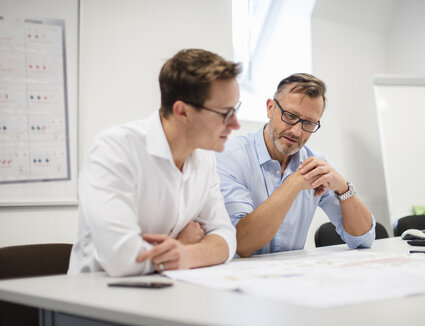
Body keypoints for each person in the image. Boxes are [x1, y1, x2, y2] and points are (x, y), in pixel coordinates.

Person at [68, 49, 242, 276]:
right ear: (182, 112)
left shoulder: (204, 156)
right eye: (225, 113)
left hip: (167, 290)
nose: (236, 124)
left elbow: (226, 236)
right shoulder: (114, 150)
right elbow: (122, 258)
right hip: (97, 298)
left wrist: (188, 254)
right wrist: (185, 244)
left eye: (235, 110)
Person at [216, 73, 375, 257]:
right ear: (270, 108)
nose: (296, 131)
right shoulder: (230, 157)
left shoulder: (315, 163)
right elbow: (242, 243)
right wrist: (293, 184)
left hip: (292, 278)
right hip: (235, 279)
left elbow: (362, 239)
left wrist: (343, 187)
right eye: (290, 116)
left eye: (308, 123)